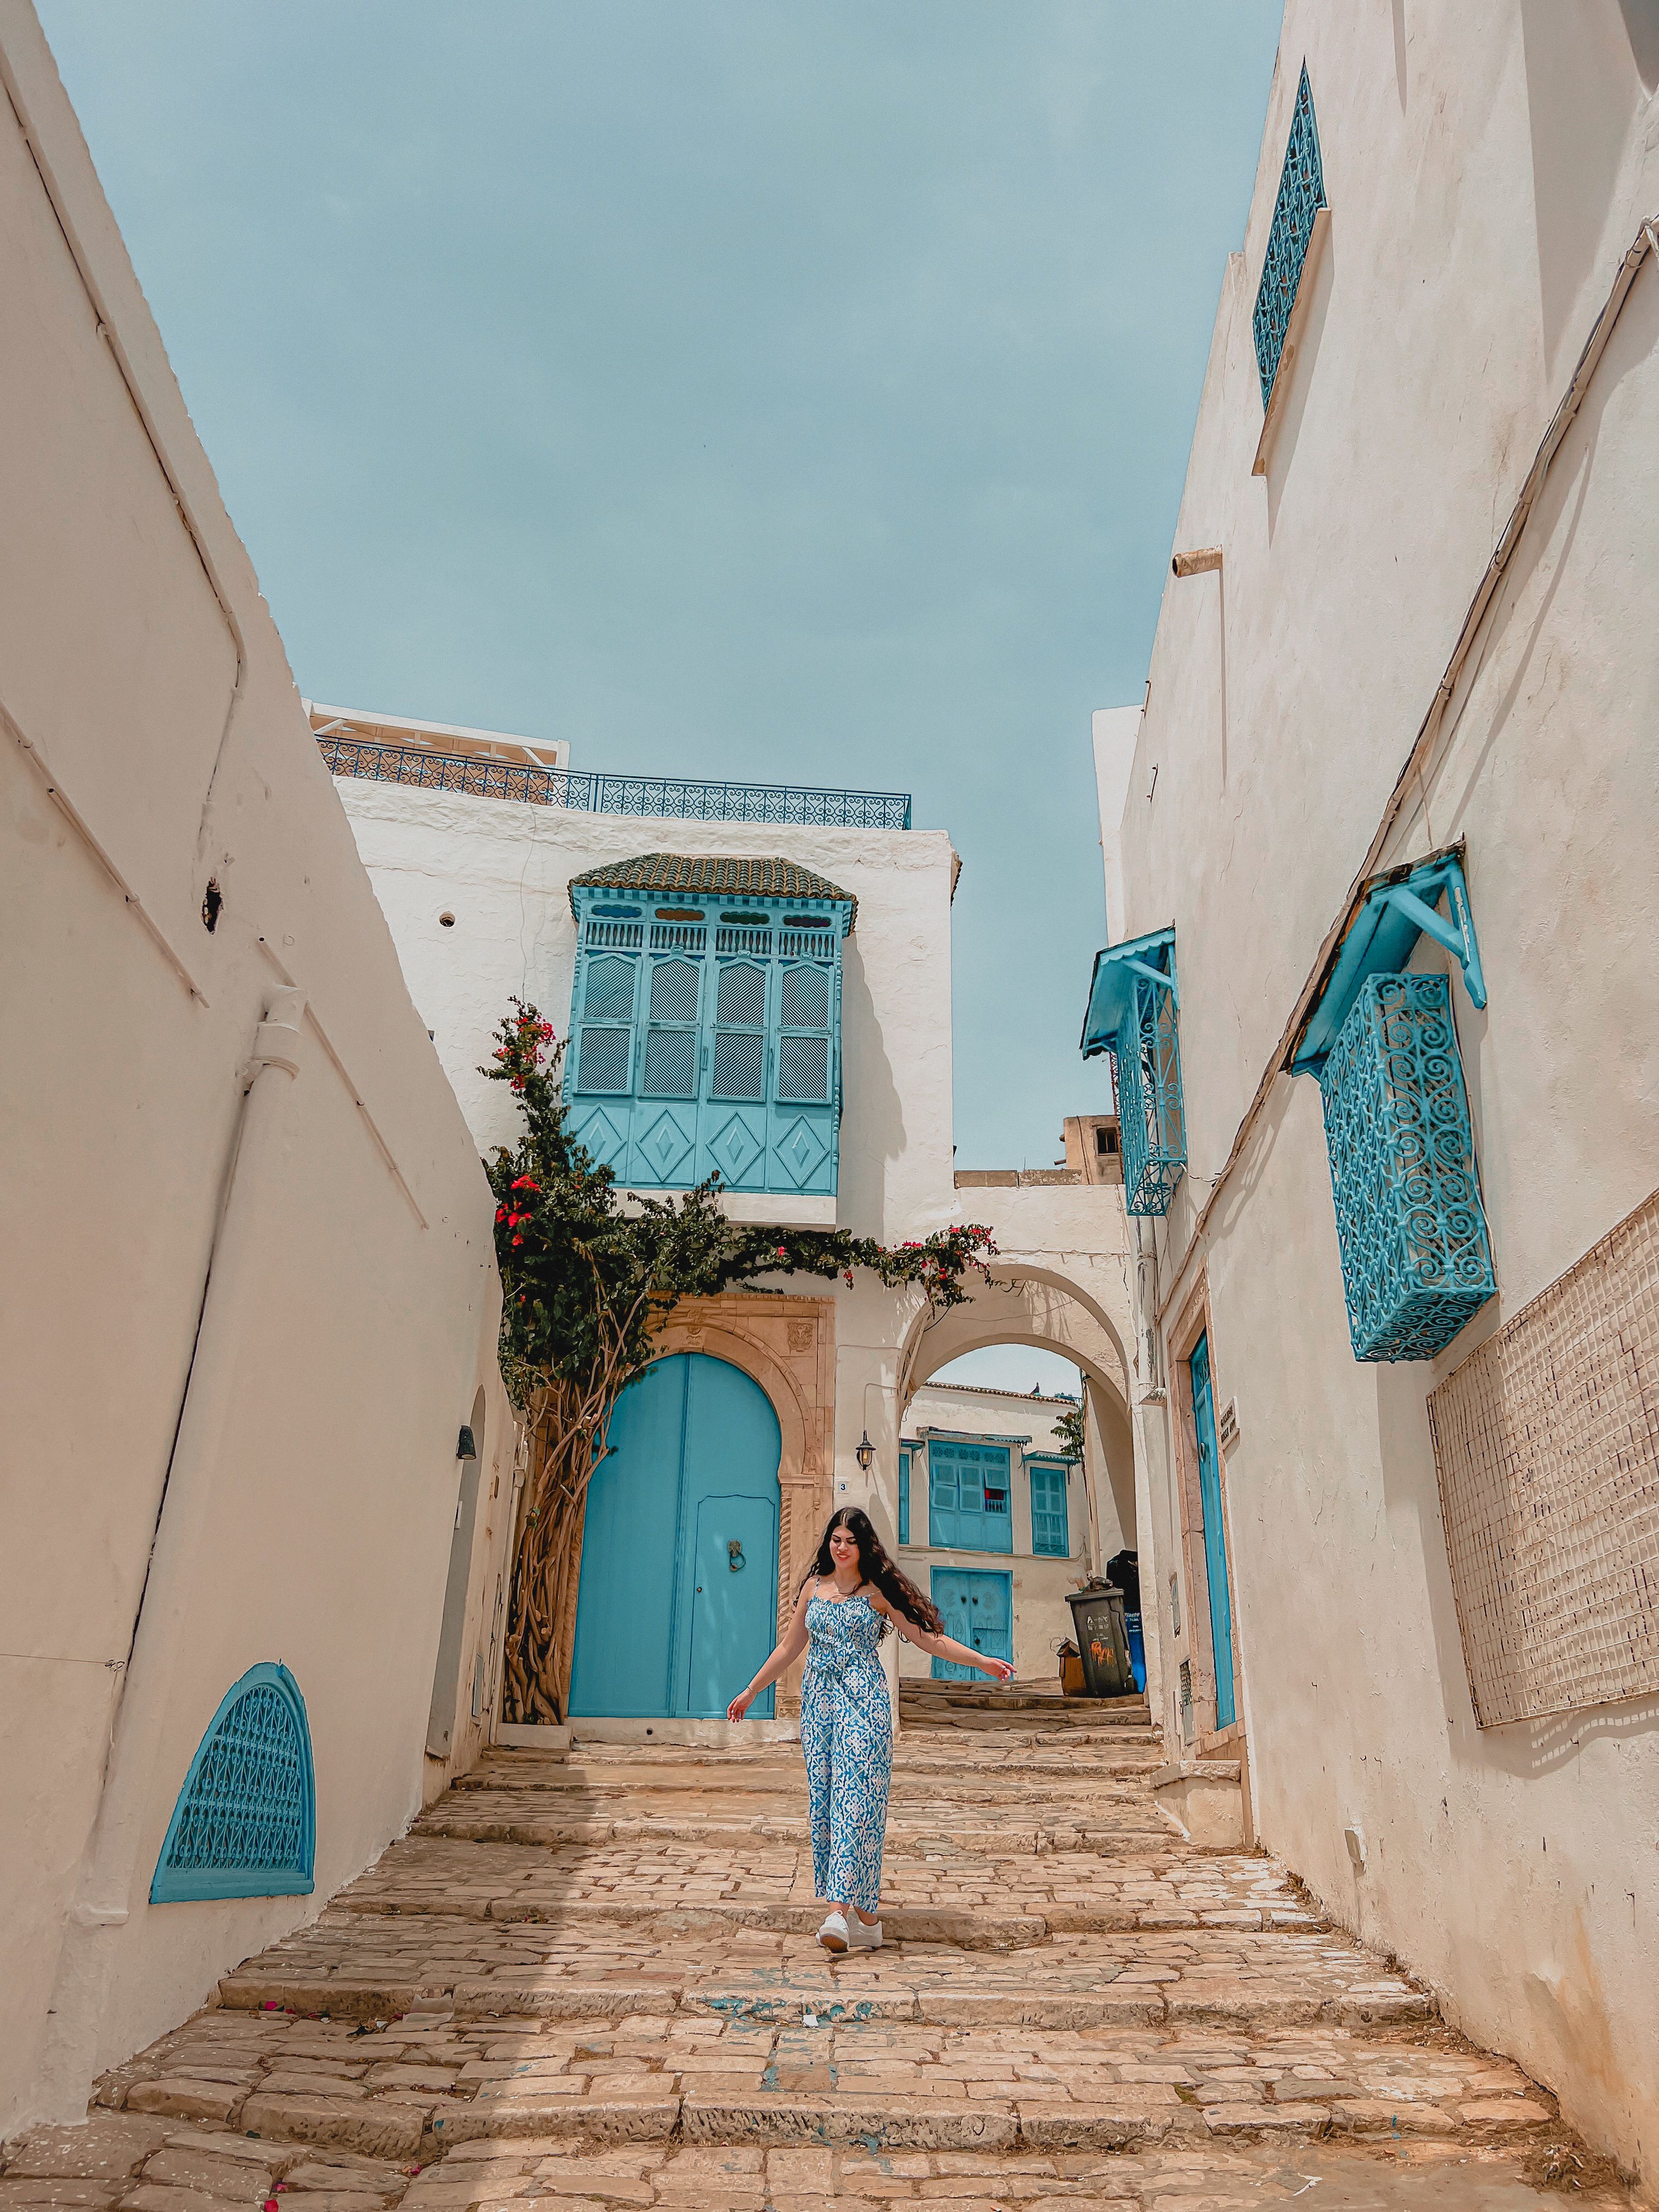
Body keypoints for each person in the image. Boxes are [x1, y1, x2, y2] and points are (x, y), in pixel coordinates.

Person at [726, 1505, 1015, 1954]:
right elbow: (788, 1647)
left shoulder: (877, 1592)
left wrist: (981, 1661)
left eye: (851, 1541)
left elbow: (926, 1638)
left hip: (865, 1705)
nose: (841, 1548)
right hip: (820, 1707)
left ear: (864, 1547)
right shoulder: (813, 1589)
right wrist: (750, 1691)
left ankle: (837, 1913)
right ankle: (867, 1919)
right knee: (826, 1801)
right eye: (836, 1539)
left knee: (855, 1800)